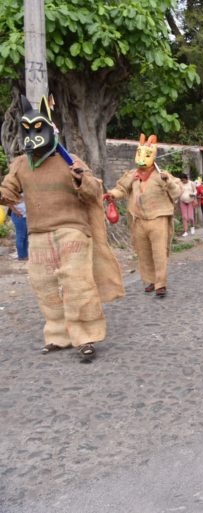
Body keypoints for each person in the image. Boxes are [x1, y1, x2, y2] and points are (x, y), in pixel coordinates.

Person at [0, 95, 124, 359]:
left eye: (37, 128)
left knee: (77, 284)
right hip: (38, 235)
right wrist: (4, 196)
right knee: (43, 285)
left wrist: (82, 180)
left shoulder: (71, 160)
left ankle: (85, 337)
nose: (32, 134)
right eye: (26, 130)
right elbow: (8, 190)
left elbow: (94, 189)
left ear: (48, 127)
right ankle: (58, 335)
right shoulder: (21, 164)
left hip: (72, 231)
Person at [104, 133, 182, 298]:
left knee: (159, 252)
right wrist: (112, 194)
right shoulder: (133, 175)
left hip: (158, 218)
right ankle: (150, 281)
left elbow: (177, 192)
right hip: (138, 219)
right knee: (143, 252)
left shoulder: (162, 174)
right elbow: (122, 189)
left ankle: (161, 284)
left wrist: (168, 181)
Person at [9, 195, 28, 260]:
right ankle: (21, 256)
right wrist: (15, 211)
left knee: (26, 236)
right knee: (21, 236)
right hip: (19, 215)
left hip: (26, 215)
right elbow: (8, 201)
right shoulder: (13, 188)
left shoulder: (25, 188)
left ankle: (25, 255)